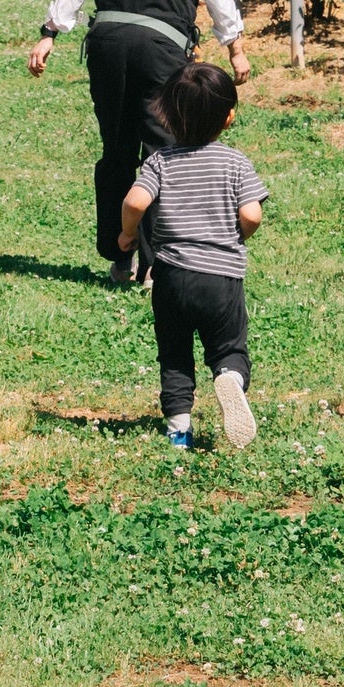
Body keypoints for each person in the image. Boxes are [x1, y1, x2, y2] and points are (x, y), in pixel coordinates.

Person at [29, 0, 247, 281]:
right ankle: (155, 262)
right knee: (164, 149)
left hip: (107, 44)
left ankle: (117, 254)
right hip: (160, 44)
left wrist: (51, 30)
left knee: (117, 149)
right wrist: (235, 46)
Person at [120, 58, 265, 450]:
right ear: (229, 117)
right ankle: (230, 378)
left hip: (170, 276)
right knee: (228, 347)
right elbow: (251, 213)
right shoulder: (234, 162)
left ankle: (179, 431)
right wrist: (240, 234)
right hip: (221, 277)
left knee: (174, 354)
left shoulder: (159, 162)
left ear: (166, 117)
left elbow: (135, 202)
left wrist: (127, 236)